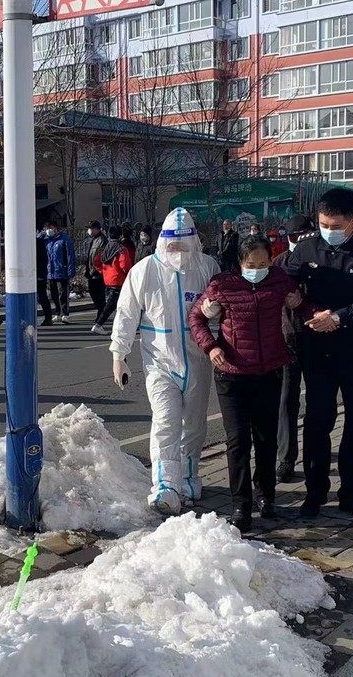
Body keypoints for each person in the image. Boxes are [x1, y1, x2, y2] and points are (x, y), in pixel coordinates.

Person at [285, 188, 353, 520]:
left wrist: (339, 318)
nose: (328, 230)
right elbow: (286, 286)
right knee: (318, 423)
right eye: (323, 223)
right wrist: (308, 308)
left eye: (335, 225)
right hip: (318, 353)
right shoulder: (307, 247)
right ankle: (314, 494)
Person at [188, 236, 306, 530]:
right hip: (232, 373)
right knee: (238, 440)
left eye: (263, 263)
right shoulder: (222, 285)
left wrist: (301, 302)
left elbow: (301, 305)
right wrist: (211, 347)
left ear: (271, 260)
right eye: (251, 265)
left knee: (266, 438)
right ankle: (241, 505)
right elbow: (196, 318)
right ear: (240, 263)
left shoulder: (279, 280)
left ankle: (266, 497)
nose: (257, 269)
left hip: (269, 371)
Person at [110, 207, 219, 515]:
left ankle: (187, 477)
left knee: (194, 425)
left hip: (198, 359)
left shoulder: (206, 266)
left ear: (194, 243)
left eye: (184, 246)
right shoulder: (145, 270)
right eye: (173, 246)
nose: (178, 253)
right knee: (166, 421)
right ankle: (164, 485)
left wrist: (217, 311)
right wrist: (120, 353)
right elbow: (127, 312)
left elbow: (226, 302)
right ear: (162, 242)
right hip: (159, 361)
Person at [272, 214, 315, 484]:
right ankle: (286, 457)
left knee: (318, 399)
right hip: (286, 340)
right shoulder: (278, 265)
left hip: (316, 339)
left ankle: (314, 452)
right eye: (297, 237)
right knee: (286, 400)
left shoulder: (321, 261)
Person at [91, 225, 135, 334]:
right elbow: (125, 265)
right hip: (119, 280)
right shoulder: (121, 249)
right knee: (113, 304)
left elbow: (96, 261)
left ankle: (124, 324)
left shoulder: (106, 248)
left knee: (118, 304)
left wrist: (104, 271)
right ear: (120, 235)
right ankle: (99, 324)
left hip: (108, 279)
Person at [43, 220, 76, 323]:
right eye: (47, 228)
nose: (49, 230)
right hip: (51, 271)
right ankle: (57, 312)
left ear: (56, 228)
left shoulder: (64, 239)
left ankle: (65, 313)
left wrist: (71, 269)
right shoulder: (47, 240)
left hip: (62, 270)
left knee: (63, 293)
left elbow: (70, 255)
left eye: (51, 228)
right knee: (54, 294)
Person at [82, 220, 107, 325]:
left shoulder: (102, 240)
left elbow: (102, 256)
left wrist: (99, 269)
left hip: (99, 273)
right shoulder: (92, 240)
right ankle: (101, 312)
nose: (89, 230)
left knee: (99, 296)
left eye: (91, 228)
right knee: (93, 294)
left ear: (97, 229)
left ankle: (101, 315)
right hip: (91, 272)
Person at [35, 228, 53, 326]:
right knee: (39, 297)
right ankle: (47, 317)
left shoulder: (38, 243)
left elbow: (43, 259)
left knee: (41, 296)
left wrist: (40, 274)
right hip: (33, 273)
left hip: (39, 274)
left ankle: (48, 317)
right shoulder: (35, 242)